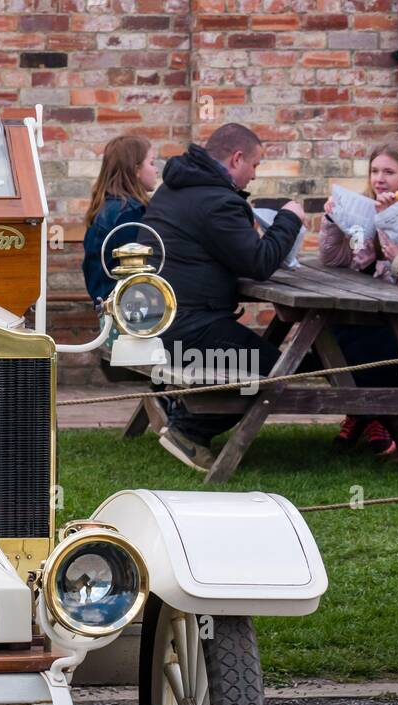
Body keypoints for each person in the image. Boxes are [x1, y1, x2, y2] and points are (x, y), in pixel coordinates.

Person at [140, 123, 306, 470]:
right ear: (237, 158)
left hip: (159, 319)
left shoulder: (177, 188)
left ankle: (177, 406)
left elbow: (226, 252)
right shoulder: (215, 200)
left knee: (268, 360)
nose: (255, 176)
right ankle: (188, 430)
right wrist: (289, 220)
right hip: (187, 327)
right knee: (274, 369)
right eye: (256, 166)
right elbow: (259, 263)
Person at [318, 139, 398, 458]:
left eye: (389, 171)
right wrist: (332, 222)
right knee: (333, 331)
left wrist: (390, 219)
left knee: (368, 337)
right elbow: (337, 259)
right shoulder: (363, 211)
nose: (379, 178)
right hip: (369, 305)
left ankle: (370, 415)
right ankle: (367, 415)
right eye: (374, 171)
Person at [82, 135, 158, 309]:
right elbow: (139, 273)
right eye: (152, 163)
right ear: (136, 170)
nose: (156, 170)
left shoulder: (107, 208)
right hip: (128, 312)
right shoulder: (129, 214)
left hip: (108, 306)